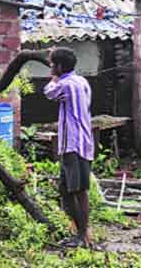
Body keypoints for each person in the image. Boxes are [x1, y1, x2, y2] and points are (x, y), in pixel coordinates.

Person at [43, 47, 94, 248]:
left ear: (60, 67)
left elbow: (48, 92)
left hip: (74, 144)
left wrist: (54, 77)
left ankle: (83, 235)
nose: (50, 67)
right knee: (65, 189)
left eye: (52, 64)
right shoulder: (82, 81)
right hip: (80, 142)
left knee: (79, 190)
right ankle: (78, 231)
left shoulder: (64, 84)